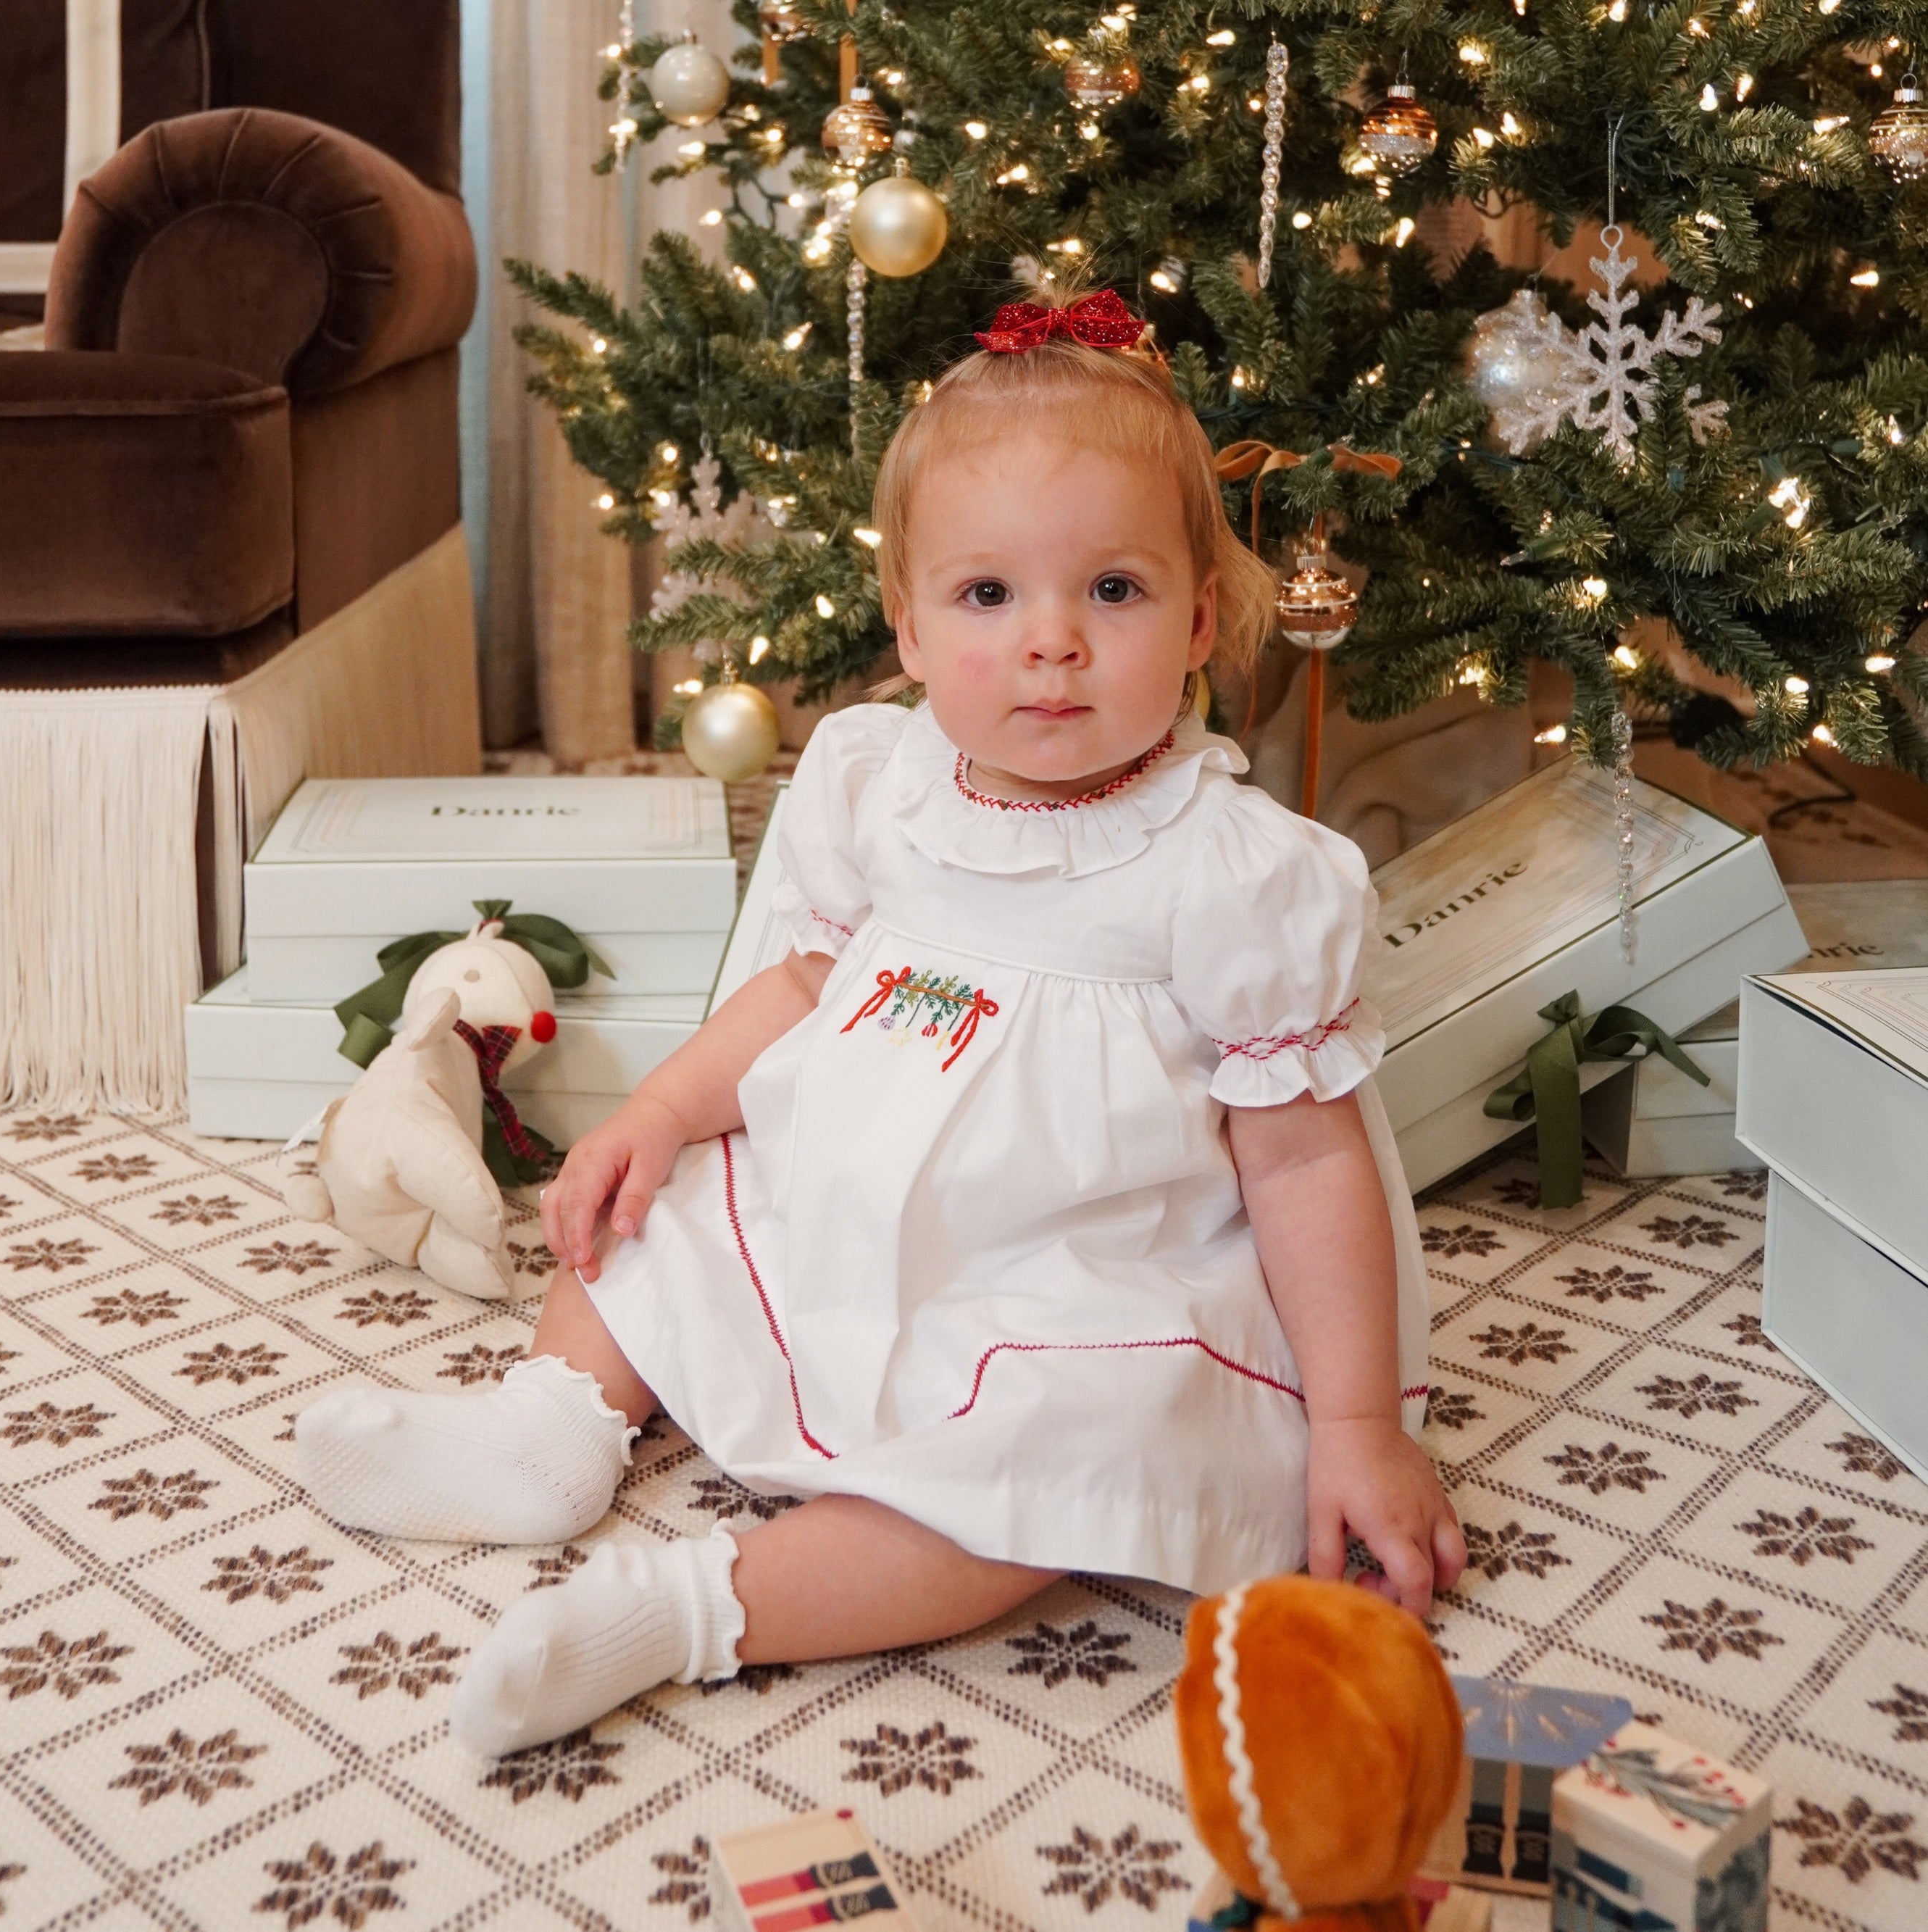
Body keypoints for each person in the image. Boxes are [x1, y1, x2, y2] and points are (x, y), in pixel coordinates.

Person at [295, 292, 1466, 1760]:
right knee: (685, 1198)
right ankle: (548, 1429)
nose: (1050, 644)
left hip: (1066, 1279)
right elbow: (798, 993)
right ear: (907, 627)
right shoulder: (880, 782)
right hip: (843, 1197)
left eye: (1111, 589)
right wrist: (655, 1113)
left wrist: (1356, 1424)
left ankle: (694, 1606)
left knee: (1067, 1469)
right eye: (988, 597)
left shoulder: (1231, 873)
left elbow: (1300, 1162)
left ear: (1201, 619)